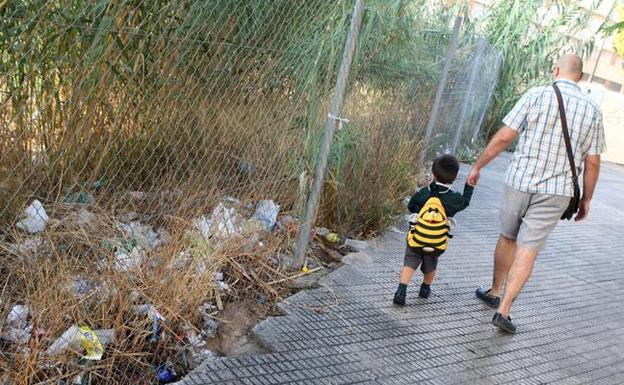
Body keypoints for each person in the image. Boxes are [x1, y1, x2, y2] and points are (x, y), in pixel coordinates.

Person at [468, 53, 605, 333]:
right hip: (557, 191)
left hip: (520, 180)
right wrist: (587, 199)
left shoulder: (536, 95)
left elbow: (506, 136)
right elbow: (592, 162)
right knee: (528, 251)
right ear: (580, 77)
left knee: (508, 237)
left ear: (555, 70)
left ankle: (494, 290)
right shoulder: (593, 109)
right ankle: (504, 311)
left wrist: (478, 166)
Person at [393, 154, 474, 306]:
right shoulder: (453, 198)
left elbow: (411, 206)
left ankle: (401, 290)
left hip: (416, 237)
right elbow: (465, 203)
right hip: (436, 240)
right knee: (431, 265)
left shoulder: (423, 192)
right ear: (455, 177)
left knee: (409, 262)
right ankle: (425, 288)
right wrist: (469, 187)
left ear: (433, 174)